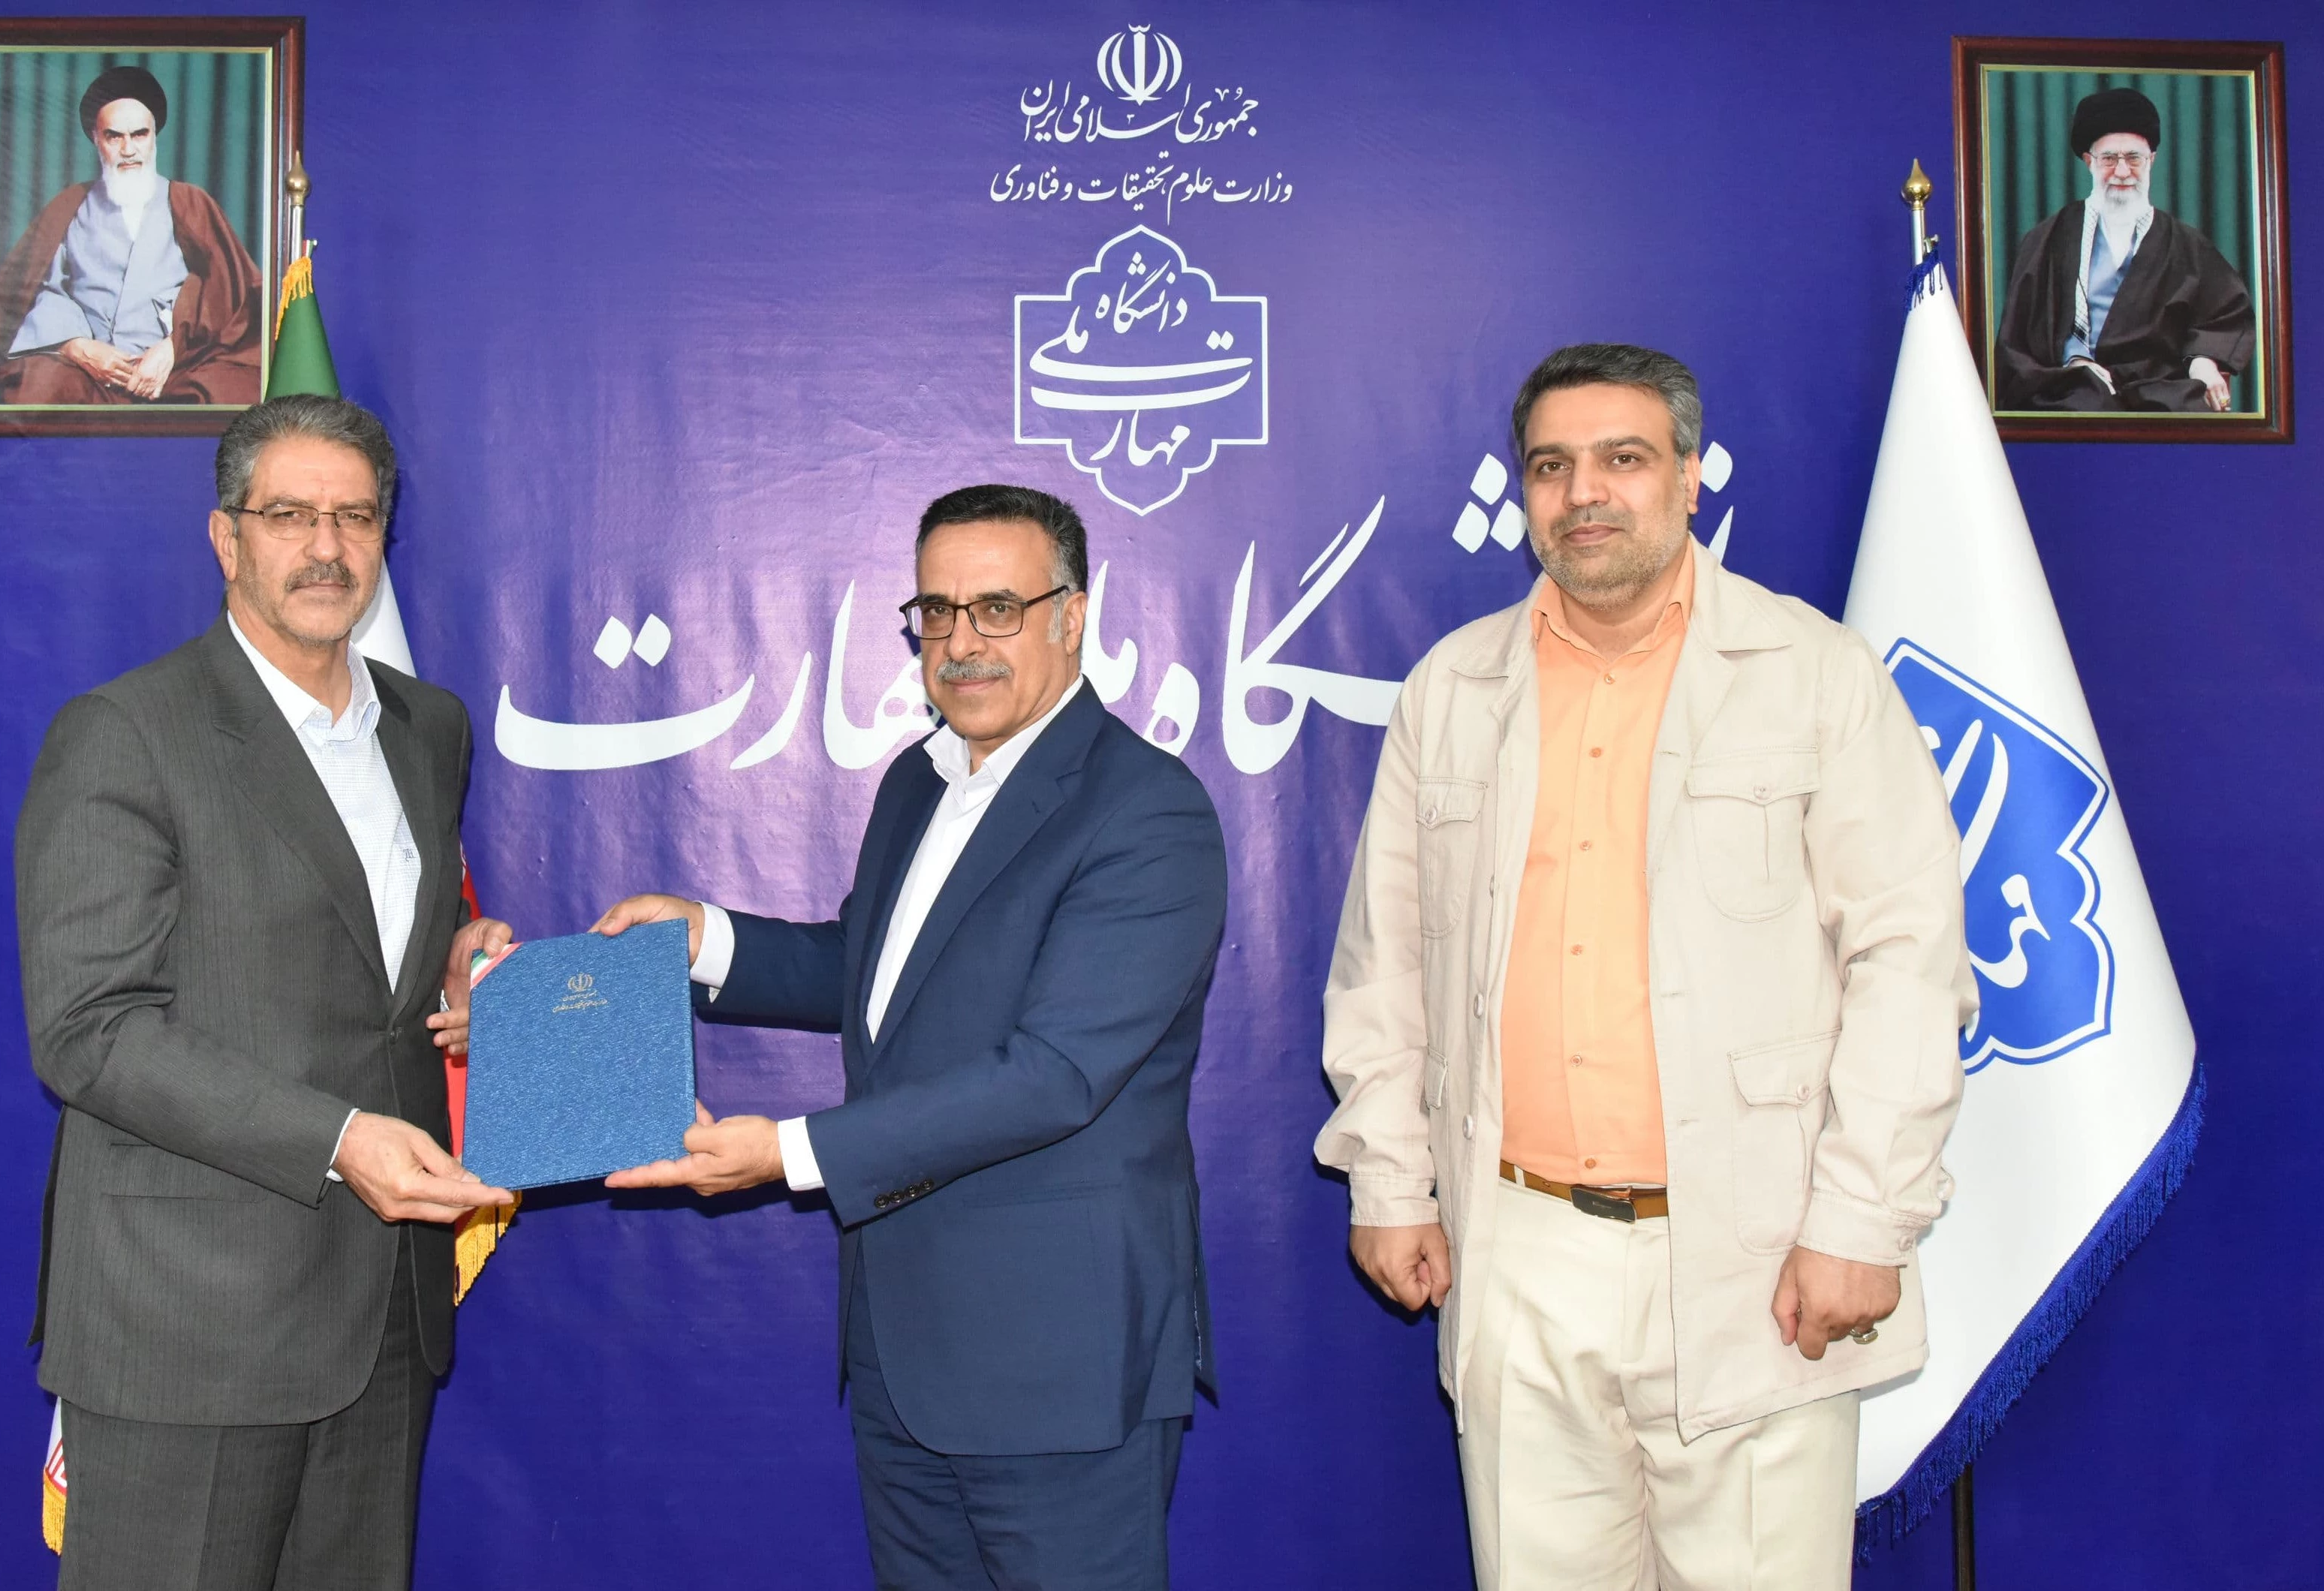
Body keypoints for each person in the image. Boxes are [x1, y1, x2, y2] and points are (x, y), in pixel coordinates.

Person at [1315, 344, 1973, 1589]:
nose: (1584, 494)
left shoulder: (1814, 674)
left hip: (1756, 1245)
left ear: (1687, 477)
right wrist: (1389, 1181)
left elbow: (1907, 964)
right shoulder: (1452, 689)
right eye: (1550, 466)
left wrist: (1860, 1220)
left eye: (1621, 459)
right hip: (1519, 1249)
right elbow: (1384, 964)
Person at [588, 485, 1226, 1591]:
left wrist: (786, 1152)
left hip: (1057, 1364)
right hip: (901, 1352)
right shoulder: (918, 781)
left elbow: (1055, 1075)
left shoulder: (1145, 811)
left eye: (997, 609)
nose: (960, 643)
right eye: (935, 612)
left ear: (1072, 615)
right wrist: (707, 939)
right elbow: (872, 970)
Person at [16, 393, 514, 1589]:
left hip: (384, 1312)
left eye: (355, 516)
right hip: (190, 1320)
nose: (326, 547)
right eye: (288, 515)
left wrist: (455, 963)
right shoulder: (127, 732)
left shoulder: (429, 727)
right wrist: (339, 1140)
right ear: (225, 537)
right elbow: (88, 1031)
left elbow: (371, 960)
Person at [0, 65, 263, 406]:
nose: (128, 150)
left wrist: (172, 349)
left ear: (154, 137)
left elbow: (228, 292)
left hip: (177, 369)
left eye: (139, 135)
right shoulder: (69, 206)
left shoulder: (191, 202)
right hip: (88, 374)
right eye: (114, 137)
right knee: (35, 387)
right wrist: (77, 347)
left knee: (232, 390)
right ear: (96, 140)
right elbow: (40, 291)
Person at [1996, 86, 2256, 413]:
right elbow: (2019, 340)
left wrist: (2202, 360)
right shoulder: (2048, 239)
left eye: (2134, 158)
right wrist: (2075, 359)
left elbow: (2224, 314)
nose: (2122, 172)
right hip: (2070, 386)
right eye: (2108, 159)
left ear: (2151, 161)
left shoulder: (2187, 245)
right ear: (2089, 162)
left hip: (2158, 387)